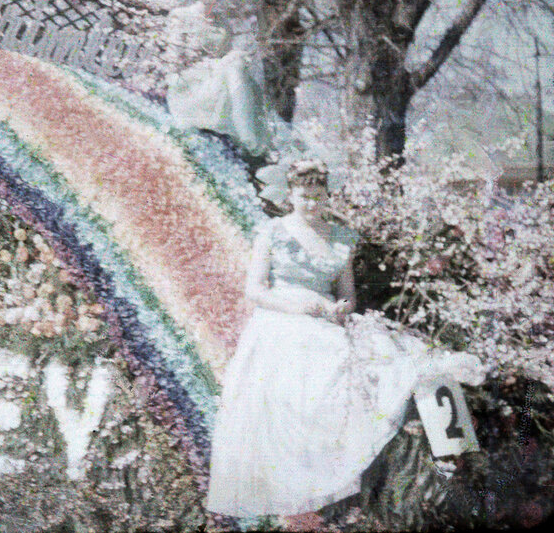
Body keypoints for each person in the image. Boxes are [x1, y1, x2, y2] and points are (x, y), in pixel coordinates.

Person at [206, 159, 483, 518]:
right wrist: (298, 307)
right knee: (309, 385)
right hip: (280, 320)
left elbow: (348, 296)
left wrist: (339, 309)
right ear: (291, 195)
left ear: (327, 196)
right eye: (304, 196)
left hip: (328, 319)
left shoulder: (339, 237)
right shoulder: (273, 232)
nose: (311, 204)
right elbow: (255, 291)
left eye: (318, 196)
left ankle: (451, 465)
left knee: (393, 364)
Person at [164, 0, 271, 160]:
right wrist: (212, 65)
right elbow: (174, 62)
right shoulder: (181, 16)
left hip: (218, 88)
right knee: (234, 63)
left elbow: (227, 68)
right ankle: (249, 137)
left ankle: (249, 135)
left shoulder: (223, 24)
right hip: (190, 89)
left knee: (238, 63)